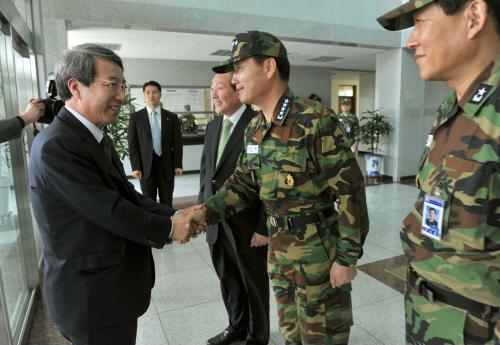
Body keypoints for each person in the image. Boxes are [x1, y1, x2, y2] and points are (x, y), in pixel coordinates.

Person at [195, 31, 369, 345]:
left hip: (319, 255)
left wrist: (347, 258)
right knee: (292, 334)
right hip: (279, 253)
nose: (234, 79)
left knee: (322, 337)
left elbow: (350, 192)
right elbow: (244, 185)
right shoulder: (256, 127)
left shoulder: (316, 121)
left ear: (269, 67)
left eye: (239, 68)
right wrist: (202, 214)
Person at [28, 44, 202, 345]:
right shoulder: (57, 145)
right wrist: (171, 228)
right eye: (112, 84)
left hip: (108, 292)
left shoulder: (92, 136)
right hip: (91, 299)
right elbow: (108, 209)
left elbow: (127, 196)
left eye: (123, 85)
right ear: (75, 87)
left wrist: (172, 214)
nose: (122, 95)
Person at [377, 0, 500, 343]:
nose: (411, 40)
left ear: (474, 17)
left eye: (420, 23)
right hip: (431, 316)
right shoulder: (453, 108)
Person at [199, 70, 269, 345]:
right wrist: (201, 213)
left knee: (253, 282)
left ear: (237, 89)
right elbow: (207, 175)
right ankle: (236, 326)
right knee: (228, 280)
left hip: (247, 224)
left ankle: (257, 335)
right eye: (211, 88)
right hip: (216, 223)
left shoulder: (258, 125)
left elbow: (266, 181)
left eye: (218, 88)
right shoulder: (214, 126)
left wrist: (264, 227)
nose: (213, 94)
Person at [128, 80, 183, 207]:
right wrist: (135, 167)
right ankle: (152, 225)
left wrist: (178, 165)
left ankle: (169, 224)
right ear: (144, 95)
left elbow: (178, 143)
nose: (151, 95)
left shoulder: (171, 117)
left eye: (154, 92)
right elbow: (133, 144)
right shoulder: (136, 117)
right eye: (148, 92)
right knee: (148, 201)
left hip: (166, 165)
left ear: (160, 94)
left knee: (167, 200)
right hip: (146, 167)